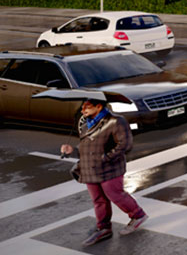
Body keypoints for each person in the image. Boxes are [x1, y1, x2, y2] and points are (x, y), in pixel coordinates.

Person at [60, 96, 148, 245]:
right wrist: (72, 150)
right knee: (98, 200)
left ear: (98, 107)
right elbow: (85, 146)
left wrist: (105, 158)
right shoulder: (84, 122)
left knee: (115, 195)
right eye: (82, 107)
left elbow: (125, 145)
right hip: (89, 168)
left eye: (86, 107)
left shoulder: (116, 121)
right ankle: (104, 228)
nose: (83, 110)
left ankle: (138, 215)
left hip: (110, 167)